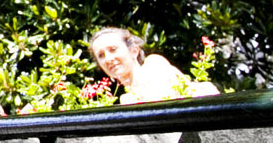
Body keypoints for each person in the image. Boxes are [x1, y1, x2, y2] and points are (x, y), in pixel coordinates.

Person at [89, 27, 218, 104]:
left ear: (134, 50)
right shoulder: (126, 98)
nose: (108, 59)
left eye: (113, 49)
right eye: (101, 55)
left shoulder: (154, 65)